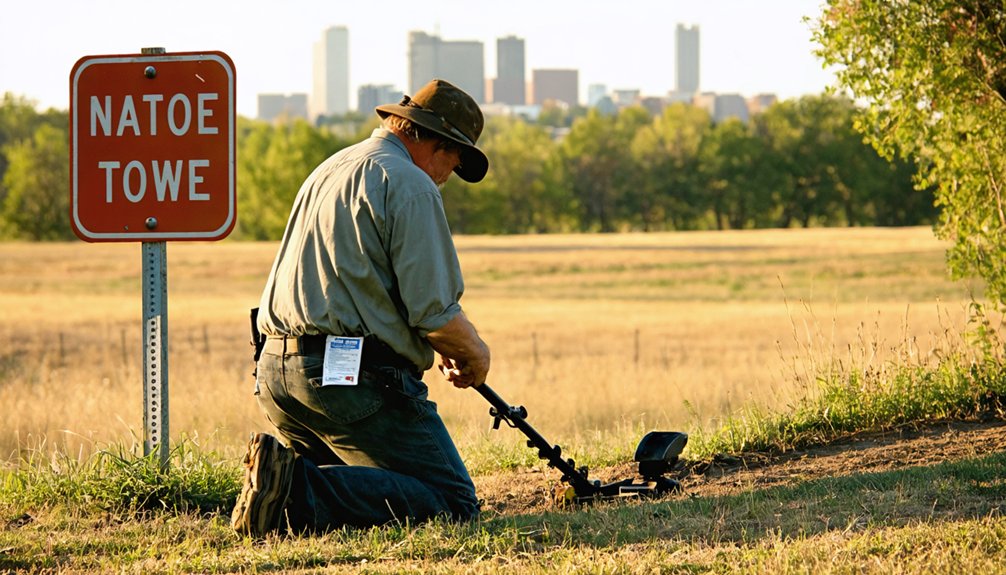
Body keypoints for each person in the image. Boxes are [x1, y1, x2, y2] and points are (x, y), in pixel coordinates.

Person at [231, 79, 492, 537]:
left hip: (276, 374)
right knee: (452, 502)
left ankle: (284, 490)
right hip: (348, 382)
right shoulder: (410, 184)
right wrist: (475, 353)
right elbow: (434, 311)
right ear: (433, 140)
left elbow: (359, 284)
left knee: (359, 493)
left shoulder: (330, 167)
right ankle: (294, 490)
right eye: (454, 159)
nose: (449, 174)